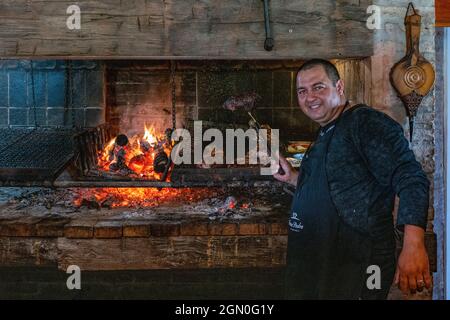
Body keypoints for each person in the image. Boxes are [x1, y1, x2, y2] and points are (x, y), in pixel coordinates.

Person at [274, 59, 431, 300]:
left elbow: (411, 177)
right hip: (324, 259)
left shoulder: (365, 123)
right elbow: (338, 186)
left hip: (358, 263)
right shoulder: (328, 128)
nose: (310, 97)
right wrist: (293, 178)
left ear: (339, 88)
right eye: (302, 91)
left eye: (319, 87)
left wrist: (413, 244)